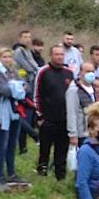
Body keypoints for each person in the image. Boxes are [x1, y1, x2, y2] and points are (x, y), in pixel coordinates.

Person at [0, 48, 28, 190]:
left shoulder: (13, 72)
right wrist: (16, 87)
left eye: (9, 57)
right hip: (1, 111)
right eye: (4, 57)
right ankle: (0, 175)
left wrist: (16, 86)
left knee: (12, 143)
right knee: (2, 143)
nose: (7, 59)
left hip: (15, 110)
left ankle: (11, 173)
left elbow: (25, 87)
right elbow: (4, 90)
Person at [33, 44, 74, 179]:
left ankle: (60, 176)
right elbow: (36, 94)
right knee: (45, 149)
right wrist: (40, 116)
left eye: (62, 54)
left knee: (62, 149)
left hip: (65, 119)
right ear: (51, 55)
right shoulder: (43, 72)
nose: (60, 57)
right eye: (57, 54)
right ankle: (42, 172)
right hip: (48, 119)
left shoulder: (69, 73)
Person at [66, 62, 99, 147]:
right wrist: (73, 134)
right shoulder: (74, 90)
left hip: (93, 130)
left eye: (92, 71)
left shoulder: (93, 88)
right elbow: (71, 113)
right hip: (81, 133)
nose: (90, 74)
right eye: (87, 71)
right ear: (80, 72)